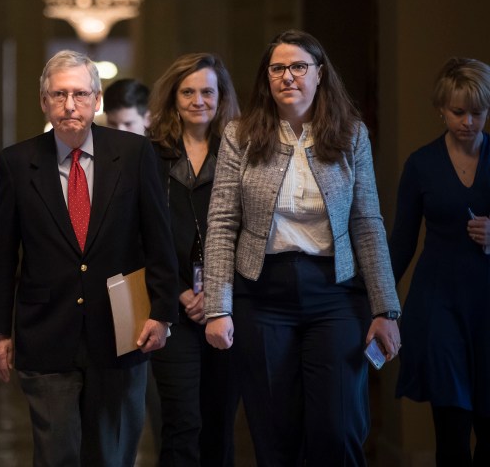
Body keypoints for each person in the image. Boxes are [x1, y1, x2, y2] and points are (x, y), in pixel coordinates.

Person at [204, 29, 402, 466]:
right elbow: (221, 222)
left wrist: (385, 309)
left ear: (319, 74)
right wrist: (219, 307)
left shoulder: (351, 134)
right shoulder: (242, 134)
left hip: (334, 293)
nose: (288, 76)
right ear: (266, 77)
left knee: (338, 427)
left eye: (298, 67)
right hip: (262, 294)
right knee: (275, 430)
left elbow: (367, 222)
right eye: (278, 68)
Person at [0, 49, 178, 467]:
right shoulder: (17, 163)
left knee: (112, 455)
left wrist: (162, 312)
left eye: (80, 94)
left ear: (98, 100)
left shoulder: (135, 154)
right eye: (59, 94)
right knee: (57, 456)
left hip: (122, 334)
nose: (70, 105)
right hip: (46, 333)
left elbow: (159, 241)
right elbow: (0, 255)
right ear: (43, 101)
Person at [389, 57, 490, 466]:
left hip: (487, 308)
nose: (468, 121)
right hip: (439, 306)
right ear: (441, 110)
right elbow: (402, 241)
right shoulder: (421, 164)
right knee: (451, 431)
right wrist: (376, 300)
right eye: (458, 112)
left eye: (478, 112)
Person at [146, 53, 241, 466]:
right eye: (188, 91)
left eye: (207, 91)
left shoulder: (243, 153)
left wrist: (219, 294)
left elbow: (254, 231)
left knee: (220, 423)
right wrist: (182, 293)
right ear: (173, 97)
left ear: (221, 98)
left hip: (230, 306)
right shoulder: (148, 156)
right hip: (172, 307)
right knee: (181, 422)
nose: (198, 100)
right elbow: (139, 235)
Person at [102, 77, 163, 458]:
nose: (120, 133)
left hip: (159, 292)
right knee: (123, 404)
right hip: (120, 294)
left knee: (163, 406)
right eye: (113, 125)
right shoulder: (102, 163)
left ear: (148, 119)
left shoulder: (160, 163)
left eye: (128, 124)